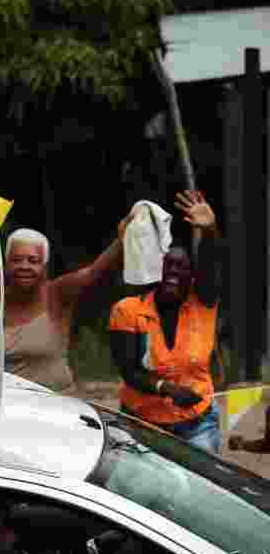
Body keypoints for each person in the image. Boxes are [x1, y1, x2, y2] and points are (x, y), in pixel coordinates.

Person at [109, 190, 222, 453]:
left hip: (198, 424)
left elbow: (211, 265)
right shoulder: (128, 311)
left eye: (181, 268)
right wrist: (167, 388)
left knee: (199, 490)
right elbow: (130, 372)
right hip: (141, 424)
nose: (173, 272)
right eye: (167, 265)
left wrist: (209, 230)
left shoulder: (202, 303)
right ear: (156, 270)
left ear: (192, 277)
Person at [3, 206, 132, 392]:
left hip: (56, 406)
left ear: (45, 266)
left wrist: (121, 240)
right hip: (8, 406)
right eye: (17, 260)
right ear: (6, 264)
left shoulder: (56, 293)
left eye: (33, 260)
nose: (24, 266)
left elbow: (93, 272)